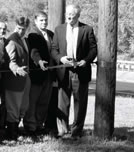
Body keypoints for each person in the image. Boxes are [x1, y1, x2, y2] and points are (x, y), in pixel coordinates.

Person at [51, 4, 97, 139]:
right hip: (64, 71)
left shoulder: (87, 29)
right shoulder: (59, 29)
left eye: (72, 14)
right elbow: (54, 49)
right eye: (68, 14)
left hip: (80, 71)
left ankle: (76, 131)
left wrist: (86, 60)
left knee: (80, 103)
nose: (70, 16)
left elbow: (93, 49)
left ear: (78, 16)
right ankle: (62, 130)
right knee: (62, 103)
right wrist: (61, 58)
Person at [24, 11, 56, 136]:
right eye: (41, 20)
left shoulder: (51, 34)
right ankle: (30, 126)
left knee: (44, 101)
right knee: (33, 101)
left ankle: (39, 125)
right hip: (37, 73)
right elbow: (33, 52)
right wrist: (39, 61)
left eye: (45, 20)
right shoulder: (32, 34)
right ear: (36, 21)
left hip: (49, 74)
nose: (44, 22)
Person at [2, 16, 31, 140]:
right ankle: (12, 134)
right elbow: (9, 61)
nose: (21, 31)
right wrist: (16, 69)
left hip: (24, 79)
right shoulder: (12, 40)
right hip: (14, 80)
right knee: (13, 108)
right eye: (19, 28)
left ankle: (16, 130)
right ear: (15, 26)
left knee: (23, 107)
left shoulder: (24, 39)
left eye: (24, 29)